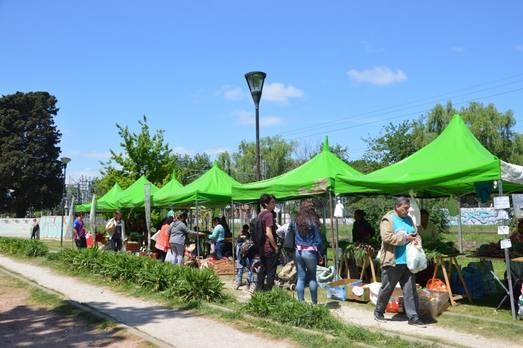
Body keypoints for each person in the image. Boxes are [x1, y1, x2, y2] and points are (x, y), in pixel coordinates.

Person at [374, 197, 424, 327]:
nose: (407, 211)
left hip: (408, 262)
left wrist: (417, 239)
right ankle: (379, 312)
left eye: (408, 208)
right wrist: (405, 238)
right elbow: (386, 237)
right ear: (397, 206)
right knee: (387, 289)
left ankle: (413, 317)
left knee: (410, 290)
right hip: (393, 261)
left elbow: (415, 233)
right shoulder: (388, 220)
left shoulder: (408, 219)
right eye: (405, 208)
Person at [293, 200, 323, 304]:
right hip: (310, 252)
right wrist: (320, 253)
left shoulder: (297, 220)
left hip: (298, 251)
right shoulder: (314, 221)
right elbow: (318, 240)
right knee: (312, 277)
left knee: (300, 277)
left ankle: (301, 302)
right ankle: (314, 303)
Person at [256, 193, 279, 291]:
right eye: (272, 202)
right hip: (269, 248)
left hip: (261, 247)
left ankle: (259, 290)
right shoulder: (269, 215)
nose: (274, 205)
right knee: (271, 272)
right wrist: (275, 247)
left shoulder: (260, 214)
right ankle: (269, 292)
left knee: (263, 269)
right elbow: (269, 233)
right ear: (266, 204)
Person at [235, 224, 253, 290]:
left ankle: (239, 282)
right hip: (244, 254)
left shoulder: (244, 234)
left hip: (241, 254)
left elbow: (238, 242)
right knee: (249, 269)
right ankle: (247, 283)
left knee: (241, 268)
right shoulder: (244, 234)